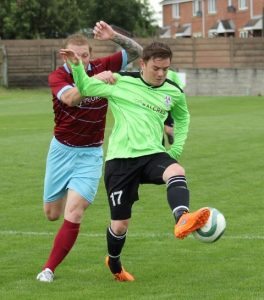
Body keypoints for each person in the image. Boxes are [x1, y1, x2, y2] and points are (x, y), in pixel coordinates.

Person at [61, 41, 210, 282]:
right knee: (120, 225)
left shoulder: (173, 90)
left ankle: (182, 218)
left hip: (152, 154)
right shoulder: (120, 82)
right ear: (143, 64)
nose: (161, 74)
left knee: (176, 170)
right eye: (156, 68)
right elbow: (86, 88)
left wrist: (177, 146)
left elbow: (183, 117)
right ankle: (115, 262)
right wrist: (78, 67)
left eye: (165, 69)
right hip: (120, 161)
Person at [36, 21, 142, 283]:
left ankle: (48, 269)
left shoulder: (101, 66)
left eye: (84, 56)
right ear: (65, 56)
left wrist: (113, 35)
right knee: (52, 214)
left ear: (91, 55)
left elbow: (139, 52)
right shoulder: (58, 76)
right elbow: (71, 98)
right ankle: (50, 261)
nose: (80, 61)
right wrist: (96, 80)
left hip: (90, 154)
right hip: (61, 152)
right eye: (74, 56)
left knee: (75, 211)